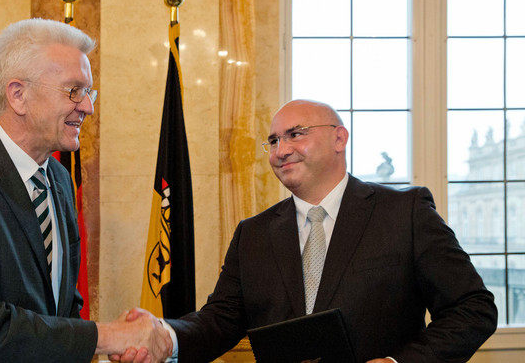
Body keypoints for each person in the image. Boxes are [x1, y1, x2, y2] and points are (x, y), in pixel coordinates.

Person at [0, 19, 171, 363]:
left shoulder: (58, 179)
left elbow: (62, 306)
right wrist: (107, 336)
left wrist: (111, 346)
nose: (88, 107)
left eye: (88, 92)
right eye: (74, 91)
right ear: (18, 95)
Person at [136, 99, 498, 362]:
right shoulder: (254, 234)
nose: (281, 150)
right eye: (274, 140)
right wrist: (166, 336)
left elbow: (473, 307)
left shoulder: (404, 212)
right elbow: (219, 321)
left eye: (295, 134)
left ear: (339, 139)